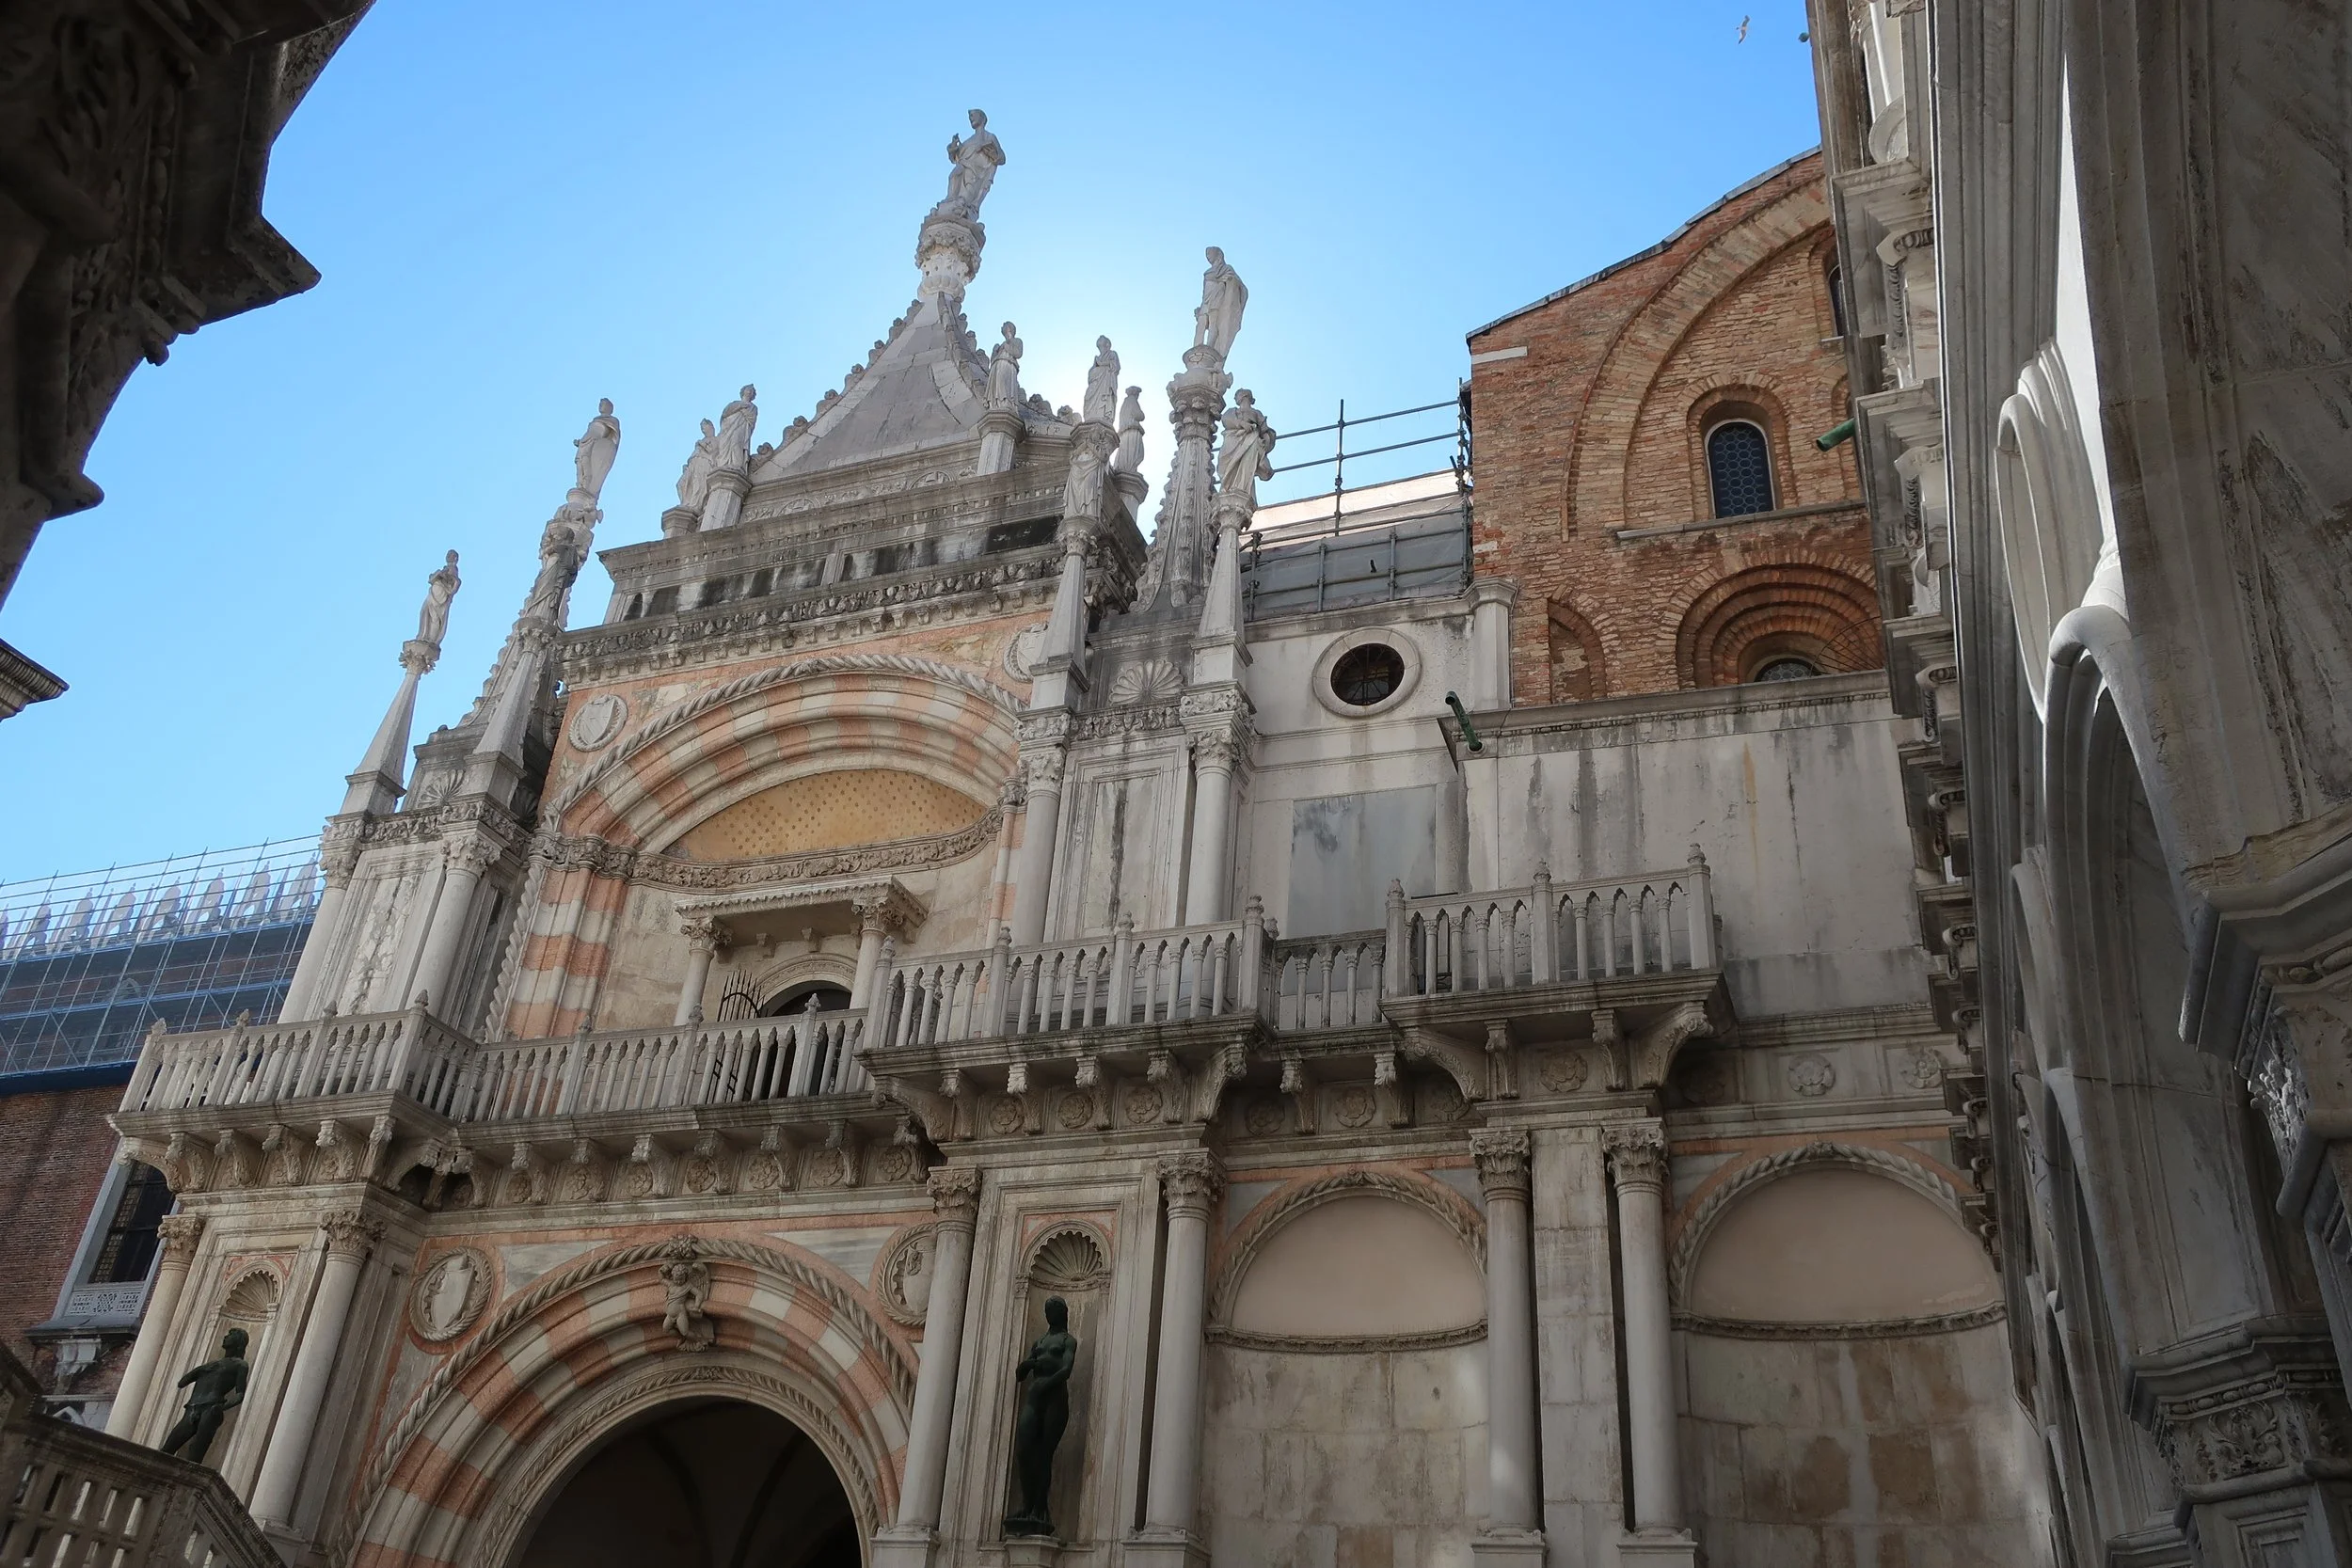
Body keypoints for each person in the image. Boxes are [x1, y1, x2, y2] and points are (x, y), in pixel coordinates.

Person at [1003, 1296, 1078, 1536]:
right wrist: (1025, 1366)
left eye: (1053, 1310)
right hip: (1034, 1399)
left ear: (1063, 1313)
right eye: (1047, 1310)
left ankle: (1038, 1508)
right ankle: (1028, 1505)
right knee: (1024, 1452)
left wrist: (1047, 1383)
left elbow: (1066, 1369)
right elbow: (1020, 1376)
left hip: (1055, 1401)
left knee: (1045, 1454)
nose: (1049, 1314)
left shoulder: (1068, 1340)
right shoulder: (1040, 1341)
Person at [159, 1328, 249, 1464]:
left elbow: (239, 1395)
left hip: (211, 1409)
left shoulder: (240, 1365)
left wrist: (221, 1407)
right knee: (167, 1449)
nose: (226, 1337)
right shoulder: (210, 1365)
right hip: (191, 1409)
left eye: (231, 1335)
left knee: (195, 1454)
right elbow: (182, 1383)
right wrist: (200, 1369)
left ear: (238, 1341)